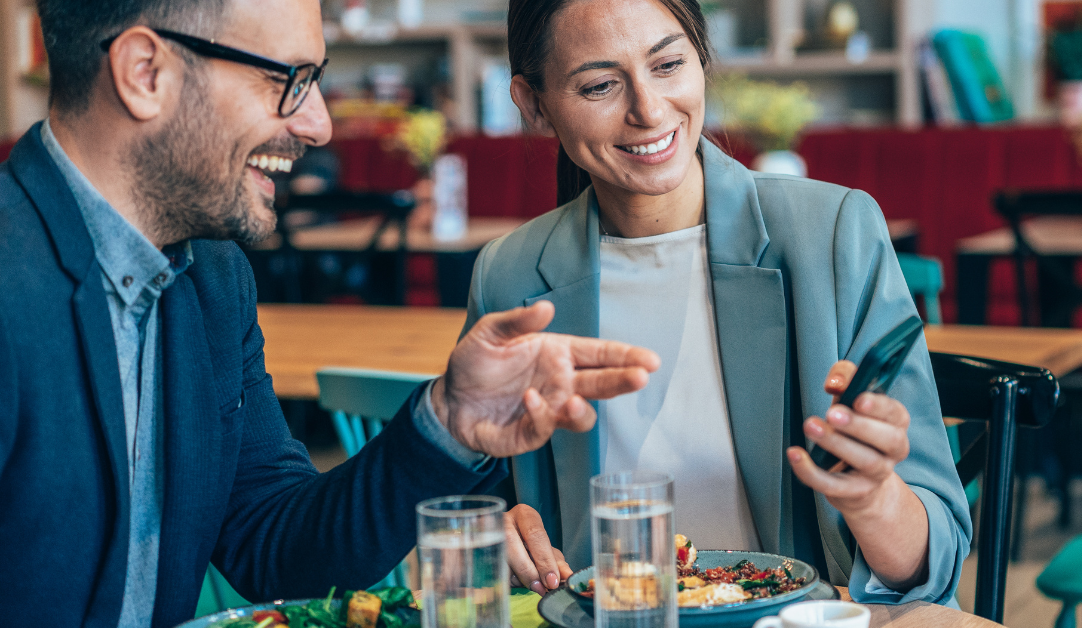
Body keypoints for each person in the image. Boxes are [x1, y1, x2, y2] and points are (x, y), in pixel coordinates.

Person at [0, 1, 659, 626]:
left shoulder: (212, 275)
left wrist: (447, 424)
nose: (318, 124)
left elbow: (275, 544)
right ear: (146, 73)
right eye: (288, 79)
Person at [465, 0, 972, 607]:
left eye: (669, 64)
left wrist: (874, 498)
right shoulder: (509, 277)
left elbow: (936, 563)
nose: (649, 111)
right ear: (533, 103)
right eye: (600, 85)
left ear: (701, 60)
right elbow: (484, 516)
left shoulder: (832, 235)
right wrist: (492, 536)